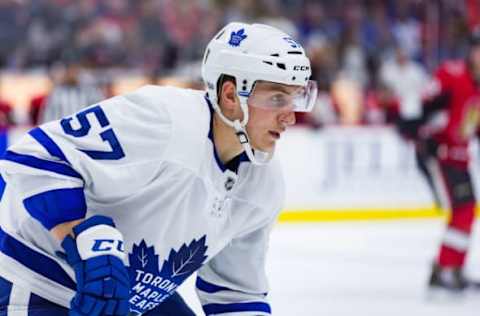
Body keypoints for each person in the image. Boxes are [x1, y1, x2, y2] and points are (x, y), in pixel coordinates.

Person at [0, 22, 317, 316]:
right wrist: (83, 238)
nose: (290, 117)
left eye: (295, 99)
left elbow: (234, 294)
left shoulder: (264, 184)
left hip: (127, 299)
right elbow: (35, 157)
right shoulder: (163, 119)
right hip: (33, 280)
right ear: (231, 95)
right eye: (277, 99)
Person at [397, 29, 480, 293]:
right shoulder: (452, 74)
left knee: (465, 211)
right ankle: (446, 269)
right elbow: (422, 104)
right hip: (441, 154)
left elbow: (471, 124)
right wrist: (414, 128)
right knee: (463, 210)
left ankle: (450, 269)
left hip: (459, 156)